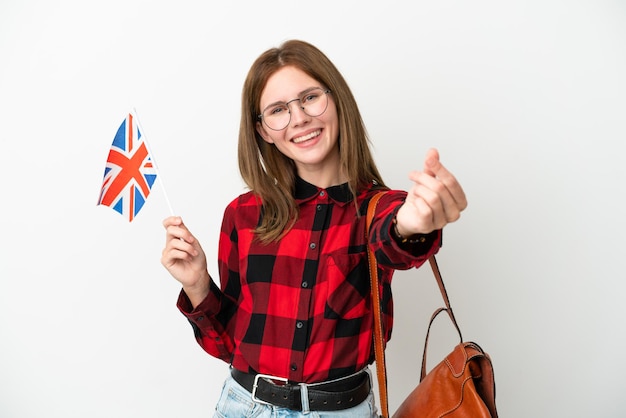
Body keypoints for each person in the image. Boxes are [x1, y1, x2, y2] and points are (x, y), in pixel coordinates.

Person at [161, 39, 467, 418]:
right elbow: (229, 344)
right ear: (263, 131)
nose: (299, 118)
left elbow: (396, 240)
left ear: (336, 100)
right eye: (277, 110)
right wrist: (196, 285)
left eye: (309, 98)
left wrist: (414, 224)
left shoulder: (379, 208)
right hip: (243, 407)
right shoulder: (243, 215)